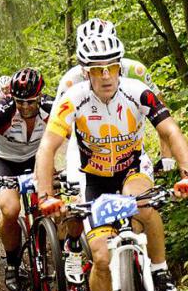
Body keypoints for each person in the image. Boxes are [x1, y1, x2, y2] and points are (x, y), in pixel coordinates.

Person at [35, 32, 188, 291]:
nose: (106, 75)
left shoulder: (137, 91)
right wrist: (46, 196)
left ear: (120, 66)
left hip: (131, 168)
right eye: (97, 69)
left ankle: (159, 270)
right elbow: (47, 149)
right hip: (93, 178)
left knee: (142, 204)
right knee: (101, 258)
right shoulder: (72, 99)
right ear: (86, 71)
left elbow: (170, 131)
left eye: (111, 66)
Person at [54, 18, 177, 181]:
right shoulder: (71, 80)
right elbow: (59, 127)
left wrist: (166, 156)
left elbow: (162, 112)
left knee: (143, 200)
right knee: (81, 199)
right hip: (86, 150)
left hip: (128, 146)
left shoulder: (136, 71)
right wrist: (57, 167)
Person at [0, 68, 53, 291]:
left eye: (30, 101)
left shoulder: (51, 107)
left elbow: (74, 135)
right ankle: (12, 265)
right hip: (6, 162)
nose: (25, 107)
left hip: (37, 160)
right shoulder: (4, 109)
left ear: (39, 97)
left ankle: (54, 250)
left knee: (50, 206)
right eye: (20, 101)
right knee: (10, 210)